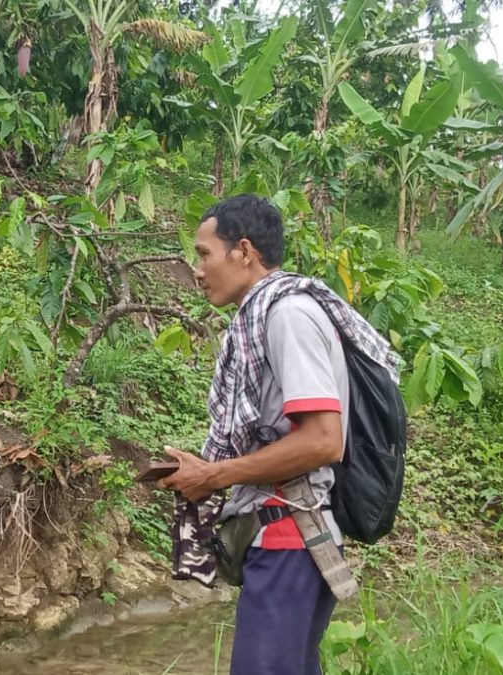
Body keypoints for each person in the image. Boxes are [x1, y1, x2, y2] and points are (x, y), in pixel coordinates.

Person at [161, 195, 350, 675]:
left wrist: (215, 475)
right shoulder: (262, 318)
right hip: (281, 537)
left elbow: (324, 441)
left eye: (204, 254)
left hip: (291, 535)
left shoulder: (288, 315)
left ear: (243, 251)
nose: (197, 270)